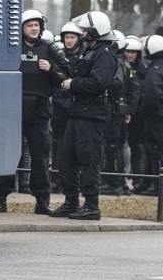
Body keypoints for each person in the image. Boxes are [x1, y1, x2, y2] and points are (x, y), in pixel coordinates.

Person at [0, 9, 68, 215]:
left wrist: (50, 69)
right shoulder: (12, 49)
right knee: (8, 156)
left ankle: (42, 201)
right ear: (21, 28)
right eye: (29, 25)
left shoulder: (49, 49)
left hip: (39, 113)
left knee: (40, 158)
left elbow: (65, 78)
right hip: (12, 111)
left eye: (37, 25)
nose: (34, 28)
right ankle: (0, 199)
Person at [49, 11, 116, 220]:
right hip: (78, 112)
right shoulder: (91, 51)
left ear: (96, 31)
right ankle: (71, 201)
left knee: (89, 159)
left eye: (86, 30)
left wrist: (73, 84)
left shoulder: (104, 53)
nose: (82, 33)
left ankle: (91, 205)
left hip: (92, 115)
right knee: (66, 156)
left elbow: (99, 82)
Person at [138, 35, 163, 197]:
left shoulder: (156, 69)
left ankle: (158, 187)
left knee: (155, 150)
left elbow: (151, 96)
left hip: (156, 115)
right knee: (155, 149)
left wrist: (144, 113)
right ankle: (151, 184)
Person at [99, 30, 133, 196]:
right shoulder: (126, 64)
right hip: (120, 109)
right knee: (117, 147)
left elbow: (118, 84)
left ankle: (113, 182)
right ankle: (119, 182)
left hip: (114, 110)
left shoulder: (117, 62)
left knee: (112, 147)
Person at [50, 21, 83, 193]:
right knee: (57, 146)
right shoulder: (58, 56)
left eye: (72, 37)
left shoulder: (84, 57)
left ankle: (74, 181)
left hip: (77, 107)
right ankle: (56, 180)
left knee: (77, 146)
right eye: (67, 37)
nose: (69, 40)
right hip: (60, 106)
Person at [123, 36, 147, 194]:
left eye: (133, 52)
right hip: (123, 111)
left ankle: (138, 180)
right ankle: (119, 180)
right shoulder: (121, 67)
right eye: (127, 51)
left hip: (139, 114)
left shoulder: (144, 70)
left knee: (137, 147)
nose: (130, 55)